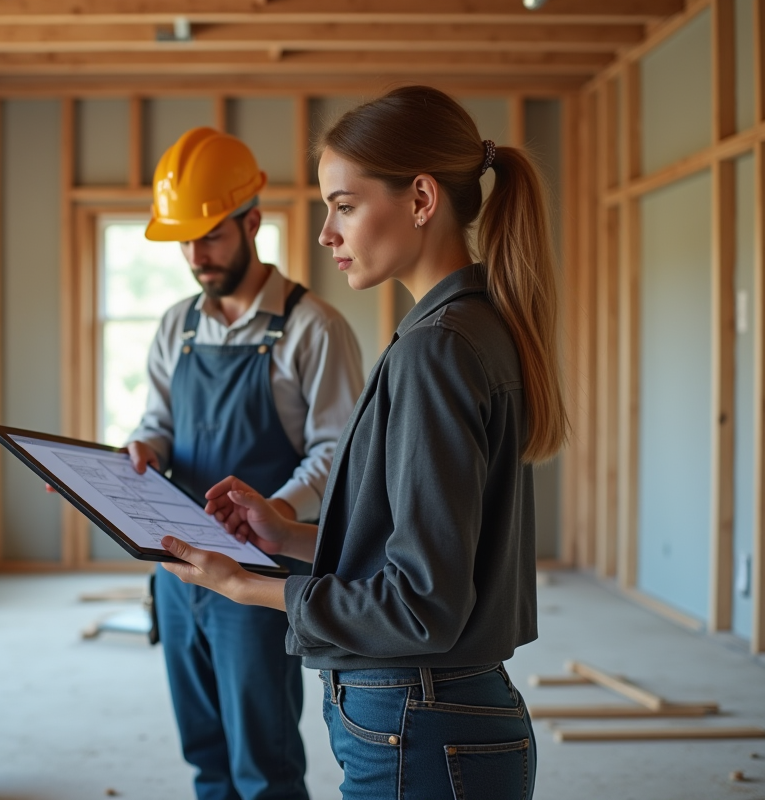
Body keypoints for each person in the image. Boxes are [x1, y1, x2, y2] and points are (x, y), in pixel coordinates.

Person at [158, 86, 568, 800]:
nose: (325, 234)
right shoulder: (466, 328)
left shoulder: (434, 351)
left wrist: (248, 585)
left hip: (417, 719)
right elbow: (414, 553)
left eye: (343, 205)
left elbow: (420, 604)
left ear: (419, 199)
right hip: (437, 712)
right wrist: (288, 532)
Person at [127, 127, 364, 800]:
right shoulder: (177, 325)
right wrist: (146, 446)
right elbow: (159, 420)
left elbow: (337, 454)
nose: (196, 256)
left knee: (264, 760)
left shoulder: (313, 329)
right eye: (185, 240)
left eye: (211, 236)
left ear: (252, 222)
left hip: (256, 568)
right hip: (177, 566)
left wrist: (278, 512)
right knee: (204, 750)